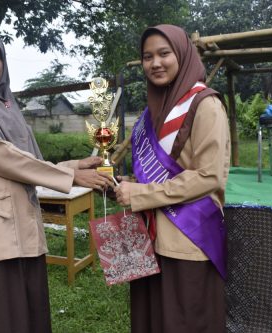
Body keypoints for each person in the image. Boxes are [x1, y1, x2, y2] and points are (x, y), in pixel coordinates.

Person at [0, 29, 112, 333]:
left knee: (26, 315)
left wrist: (73, 164)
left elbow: (27, 161)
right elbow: (0, 156)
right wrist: (69, 176)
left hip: (22, 227)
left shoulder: (6, 104)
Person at [113, 24, 231, 333]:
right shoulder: (151, 112)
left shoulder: (206, 105)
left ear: (181, 54)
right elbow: (156, 172)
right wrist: (124, 183)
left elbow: (209, 176)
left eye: (164, 53)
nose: (155, 63)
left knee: (185, 320)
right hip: (147, 238)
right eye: (147, 56)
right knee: (152, 318)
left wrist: (141, 194)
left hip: (188, 239)